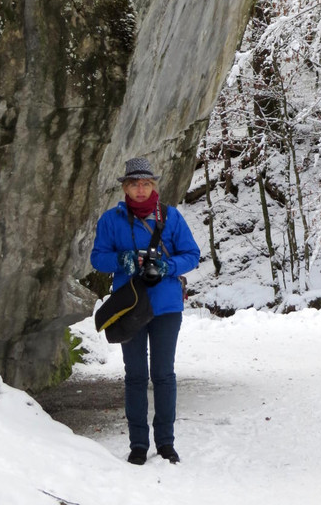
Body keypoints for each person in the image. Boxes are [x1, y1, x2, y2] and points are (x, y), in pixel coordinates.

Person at [91, 156, 200, 466]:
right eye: (134, 184)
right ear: (126, 187)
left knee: (163, 375)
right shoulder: (111, 220)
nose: (140, 189)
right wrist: (122, 260)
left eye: (146, 184)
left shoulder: (171, 217)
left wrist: (168, 266)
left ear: (153, 185)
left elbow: (192, 255)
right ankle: (138, 443)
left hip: (166, 305)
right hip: (130, 305)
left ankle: (166, 442)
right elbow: (98, 258)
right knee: (135, 376)